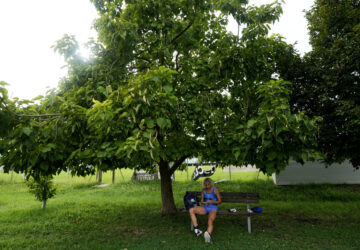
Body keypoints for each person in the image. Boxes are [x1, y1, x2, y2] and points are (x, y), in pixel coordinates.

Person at [189, 177, 222, 243]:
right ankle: (197, 230)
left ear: (211, 183)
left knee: (210, 220)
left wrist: (212, 202)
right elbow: (201, 201)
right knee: (191, 210)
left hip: (213, 208)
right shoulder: (203, 190)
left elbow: (220, 201)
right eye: (205, 185)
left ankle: (208, 234)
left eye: (208, 185)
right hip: (205, 207)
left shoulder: (215, 190)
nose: (206, 186)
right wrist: (205, 203)